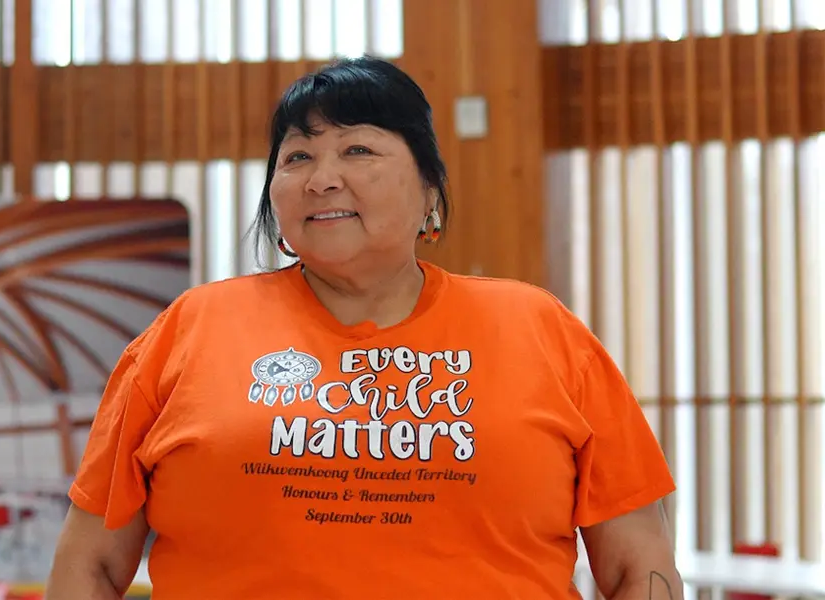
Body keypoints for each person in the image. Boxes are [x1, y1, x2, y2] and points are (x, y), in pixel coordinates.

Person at [46, 56, 681, 599]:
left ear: (431, 189)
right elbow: (90, 563)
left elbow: (638, 563)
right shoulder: (187, 330)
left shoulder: (542, 330)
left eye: (357, 149)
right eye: (297, 156)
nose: (322, 178)